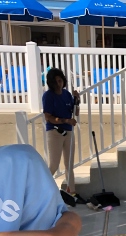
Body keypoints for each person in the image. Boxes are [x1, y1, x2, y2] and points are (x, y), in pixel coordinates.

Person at [43, 67, 86, 206]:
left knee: (69, 164)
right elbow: (48, 117)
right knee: (54, 165)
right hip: (55, 132)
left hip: (68, 132)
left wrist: (77, 100)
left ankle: (72, 192)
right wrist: (66, 120)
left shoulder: (67, 95)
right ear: (51, 83)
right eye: (55, 82)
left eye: (60, 81)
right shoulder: (48, 96)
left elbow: (76, 112)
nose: (58, 84)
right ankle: (41, 189)